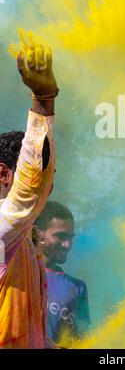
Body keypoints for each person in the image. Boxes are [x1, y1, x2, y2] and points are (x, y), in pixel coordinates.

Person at [0, 34, 58, 348]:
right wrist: (43, 99)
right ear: (3, 174)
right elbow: (31, 188)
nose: (50, 189)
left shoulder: (23, 245)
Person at [34, 201, 90, 344]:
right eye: (60, 236)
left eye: (70, 238)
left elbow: (81, 339)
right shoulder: (16, 274)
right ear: (38, 233)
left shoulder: (78, 287)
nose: (67, 245)